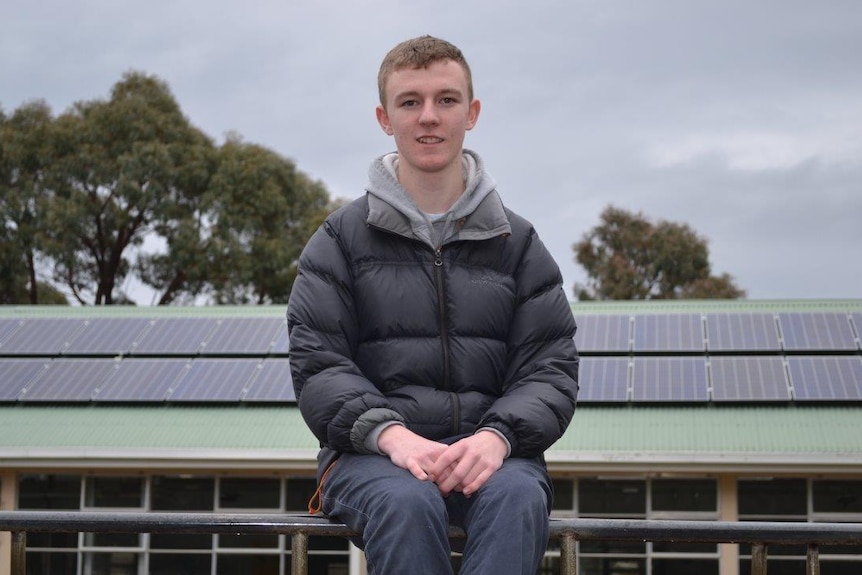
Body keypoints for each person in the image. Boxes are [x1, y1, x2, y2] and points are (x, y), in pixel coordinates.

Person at [287, 35, 579, 575]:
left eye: (446, 100)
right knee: (407, 501)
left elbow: (550, 369)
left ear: (471, 113)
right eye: (410, 102)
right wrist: (393, 438)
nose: (429, 117)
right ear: (384, 117)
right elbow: (320, 367)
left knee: (518, 498)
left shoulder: (519, 245)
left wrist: (498, 437)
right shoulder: (338, 241)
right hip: (371, 458)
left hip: (496, 458)